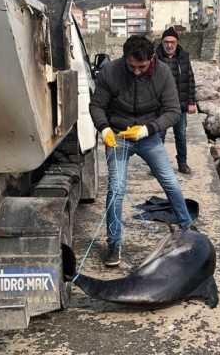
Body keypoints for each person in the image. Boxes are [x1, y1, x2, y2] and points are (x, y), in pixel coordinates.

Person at [89, 35, 194, 267]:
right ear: (125, 58)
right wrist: (104, 128)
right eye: (132, 66)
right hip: (117, 135)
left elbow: (173, 111)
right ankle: (114, 244)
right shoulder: (110, 72)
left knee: (170, 181)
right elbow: (97, 106)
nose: (137, 71)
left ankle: (187, 228)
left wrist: (148, 129)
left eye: (142, 67)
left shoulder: (163, 73)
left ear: (152, 59)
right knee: (116, 189)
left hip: (148, 135)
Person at [156, 27, 197, 175]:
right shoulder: (155, 57)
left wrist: (192, 102)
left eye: (172, 42)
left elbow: (190, 79)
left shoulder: (184, 56)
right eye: (166, 42)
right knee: (159, 137)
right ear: (162, 42)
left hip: (180, 105)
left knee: (180, 135)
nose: (169, 45)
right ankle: (158, 165)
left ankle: (182, 163)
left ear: (177, 42)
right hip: (160, 107)